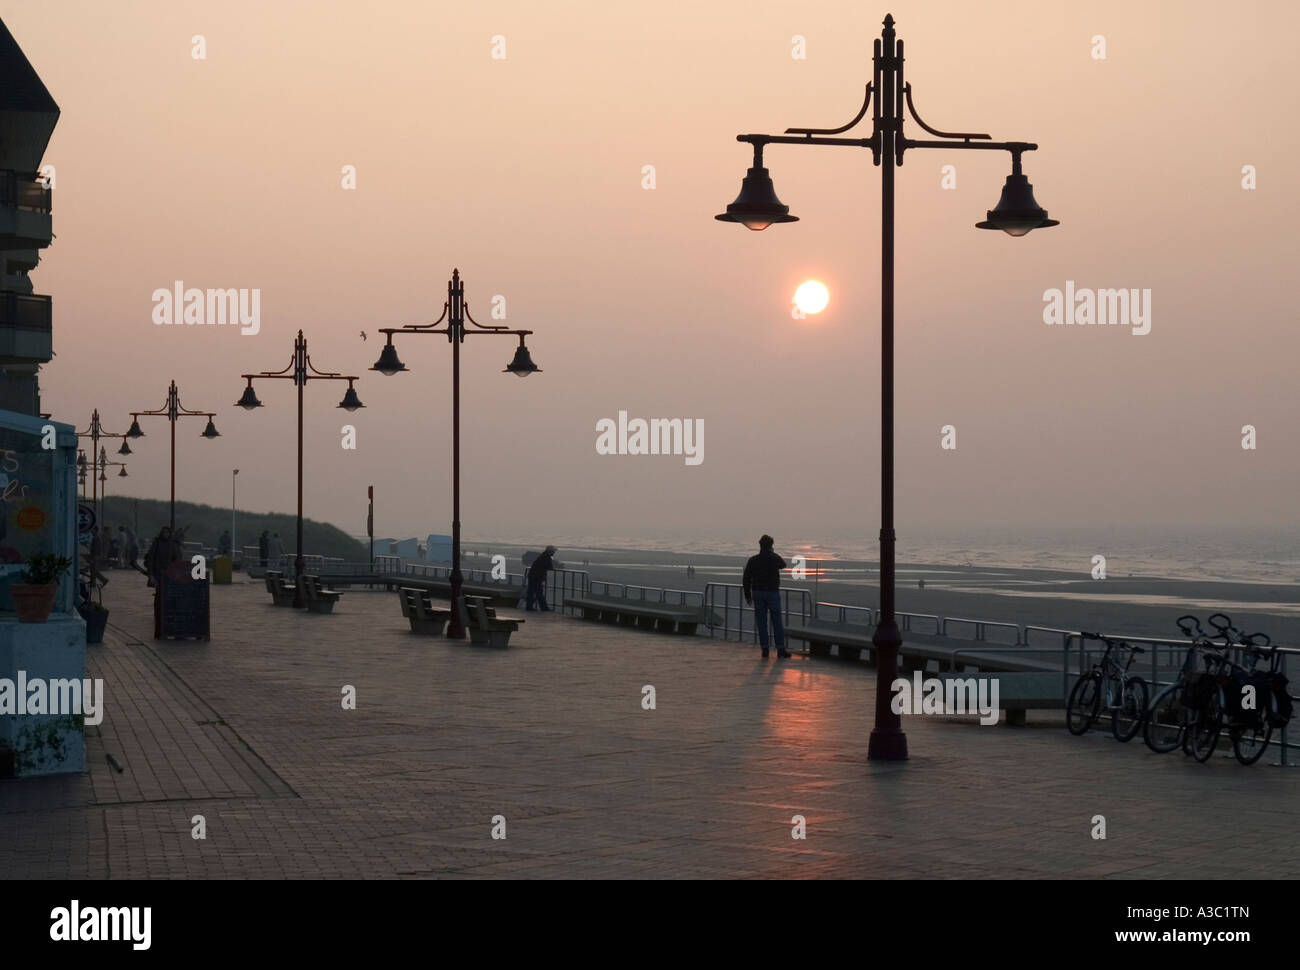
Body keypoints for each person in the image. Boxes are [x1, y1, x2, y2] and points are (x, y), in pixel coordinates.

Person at [743, 534, 789, 659]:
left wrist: (747, 595)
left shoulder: (753, 560)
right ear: (771, 546)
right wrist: (773, 553)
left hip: (757, 592)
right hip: (772, 592)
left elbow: (746, 578)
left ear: (760, 545)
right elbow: (783, 564)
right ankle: (780, 648)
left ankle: (765, 648)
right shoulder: (773, 558)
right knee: (777, 621)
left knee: (761, 622)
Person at [526, 545, 557, 611]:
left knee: (531, 592)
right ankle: (544, 608)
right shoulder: (546, 557)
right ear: (550, 552)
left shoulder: (543, 556)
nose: (554, 553)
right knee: (538, 592)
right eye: (553, 551)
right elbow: (550, 567)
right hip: (537, 577)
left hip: (533, 575)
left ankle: (529, 606)